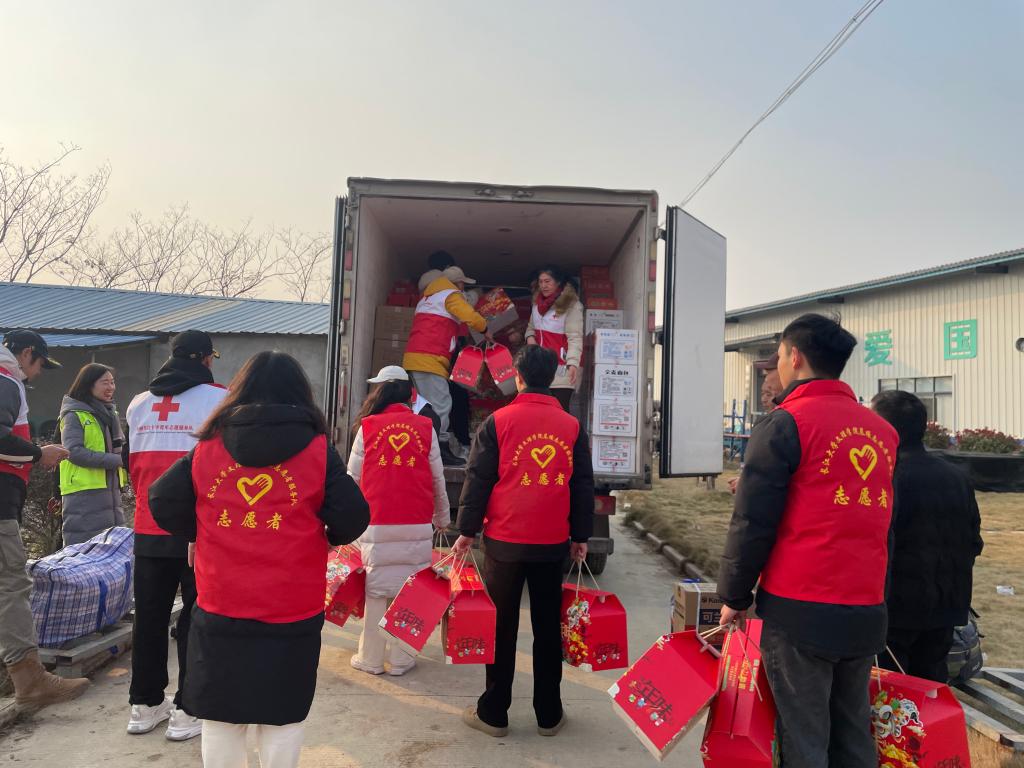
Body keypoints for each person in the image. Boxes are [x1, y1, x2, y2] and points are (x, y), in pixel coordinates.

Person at [149, 351, 369, 768]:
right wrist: (325, 537)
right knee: (282, 713)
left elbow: (160, 499)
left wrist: (200, 532)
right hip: (292, 606)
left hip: (221, 602)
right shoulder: (317, 450)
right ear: (300, 393)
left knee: (220, 713)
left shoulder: (208, 447)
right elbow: (354, 516)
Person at [717, 313, 898, 768]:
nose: (778, 365)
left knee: (804, 738)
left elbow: (753, 522)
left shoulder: (785, 424)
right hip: (865, 610)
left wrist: (734, 596)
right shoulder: (882, 432)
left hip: (800, 610)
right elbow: (881, 523)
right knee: (854, 734)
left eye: (779, 356)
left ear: (795, 357)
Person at [453, 345, 594, 738]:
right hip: (552, 543)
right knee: (547, 628)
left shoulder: (497, 422)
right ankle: (549, 715)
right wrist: (581, 535)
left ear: (517, 377)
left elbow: (478, 479)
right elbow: (582, 484)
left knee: (501, 627)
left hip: (504, 542)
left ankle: (494, 713)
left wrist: (466, 530)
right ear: (551, 379)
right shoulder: (571, 426)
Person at [123, 330, 227, 739]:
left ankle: (144, 705)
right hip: (197, 530)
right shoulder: (219, 400)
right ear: (205, 359)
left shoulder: (138, 403)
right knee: (196, 618)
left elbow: (130, 463)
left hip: (148, 525)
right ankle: (187, 709)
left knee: (149, 618)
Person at [0, 330, 89, 706]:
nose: (36, 374)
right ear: (26, 353)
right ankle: (29, 679)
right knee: (11, 584)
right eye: (38, 365)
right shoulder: (6, 380)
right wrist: (40, 454)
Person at [871, 390, 984, 682]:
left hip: (896, 611)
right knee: (930, 691)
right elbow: (974, 541)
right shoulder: (957, 477)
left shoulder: (886, 477)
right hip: (946, 608)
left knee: (889, 695)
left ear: (885, 429)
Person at [347, 366, 449, 676]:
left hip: (375, 521)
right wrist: (442, 516)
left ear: (380, 392)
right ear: (408, 394)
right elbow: (437, 478)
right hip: (416, 521)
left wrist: (347, 520)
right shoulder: (425, 427)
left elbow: (352, 478)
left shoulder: (368, 427)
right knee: (409, 592)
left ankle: (370, 658)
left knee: (377, 590)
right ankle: (402, 660)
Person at [403, 265, 491, 466]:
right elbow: (469, 315)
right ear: (458, 283)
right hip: (429, 359)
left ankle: (423, 449)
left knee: (424, 407)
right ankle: (439, 450)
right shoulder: (450, 295)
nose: (462, 288)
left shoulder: (428, 298)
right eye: (462, 284)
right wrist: (485, 329)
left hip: (416, 358)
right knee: (441, 404)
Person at [57, 363, 127, 545]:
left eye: (112, 382)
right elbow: (74, 452)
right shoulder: (73, 414)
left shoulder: (111, 414)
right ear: (89, 384)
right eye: (105, 382)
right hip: (83, 495)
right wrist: (118, 460)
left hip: (111, 492)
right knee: (83, 550)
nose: (111, 387)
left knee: (112, 548)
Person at [525, 265, 584, 412]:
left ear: (558, 282)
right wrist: (530, 338)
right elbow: (530, 327)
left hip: (561, 369)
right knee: (538, 412)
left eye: (547, 281)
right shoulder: (536, 304)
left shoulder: (571, 305)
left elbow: (575, 338)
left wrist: (573, 363)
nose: (543, 286)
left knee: (559, 412)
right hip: (538, 368)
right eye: (541, 282)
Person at [729, 353, 783, 495]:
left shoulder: (781, 424)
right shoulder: (768, 422)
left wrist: (748, 484)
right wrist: (746, 480)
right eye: (762, 394)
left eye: (769, 394)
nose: (764, 399)